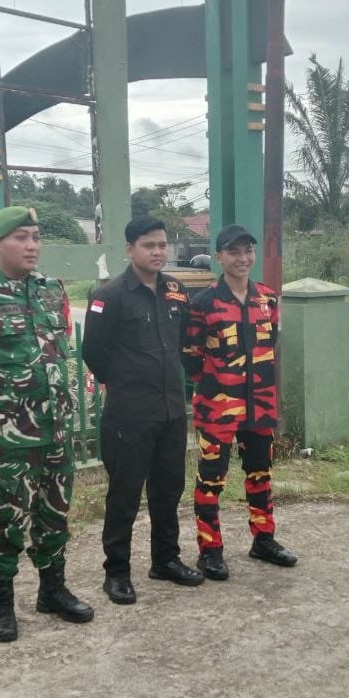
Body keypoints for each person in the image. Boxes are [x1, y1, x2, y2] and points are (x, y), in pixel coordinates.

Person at [0, 205, 94, 642]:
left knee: (54, 515)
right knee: (4, 521)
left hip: (56, 431)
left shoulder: (51, 290)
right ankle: (1, 602)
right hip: (8, 437)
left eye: (36, 237)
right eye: (21, 238)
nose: (32, 246)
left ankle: (53, 590)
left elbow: (59, 349)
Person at [81, 216, 205, 605]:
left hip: (171, 411)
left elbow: (183, 341)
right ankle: (116, 573)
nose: (157, 252)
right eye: (149, 245)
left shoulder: (176, 291)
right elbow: (93, 352)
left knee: (168, 490)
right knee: (125, 496)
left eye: (162, 245)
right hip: (130, 414)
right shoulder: (110, 296)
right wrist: (126, 382)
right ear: (130, 249)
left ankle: (165, 560)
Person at [182, 224, 297, 581]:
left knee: (260, 474)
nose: (242, 258)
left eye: (248, 250)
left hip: (260, 404)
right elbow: (190, 357)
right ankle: (210, 551)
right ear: (219, 257)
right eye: (234, 252)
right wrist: (219, 381)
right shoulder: (203, 303)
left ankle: (264, 540)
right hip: (218, 407)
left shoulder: (267, 299)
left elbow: (269, 344)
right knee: (211, 480)